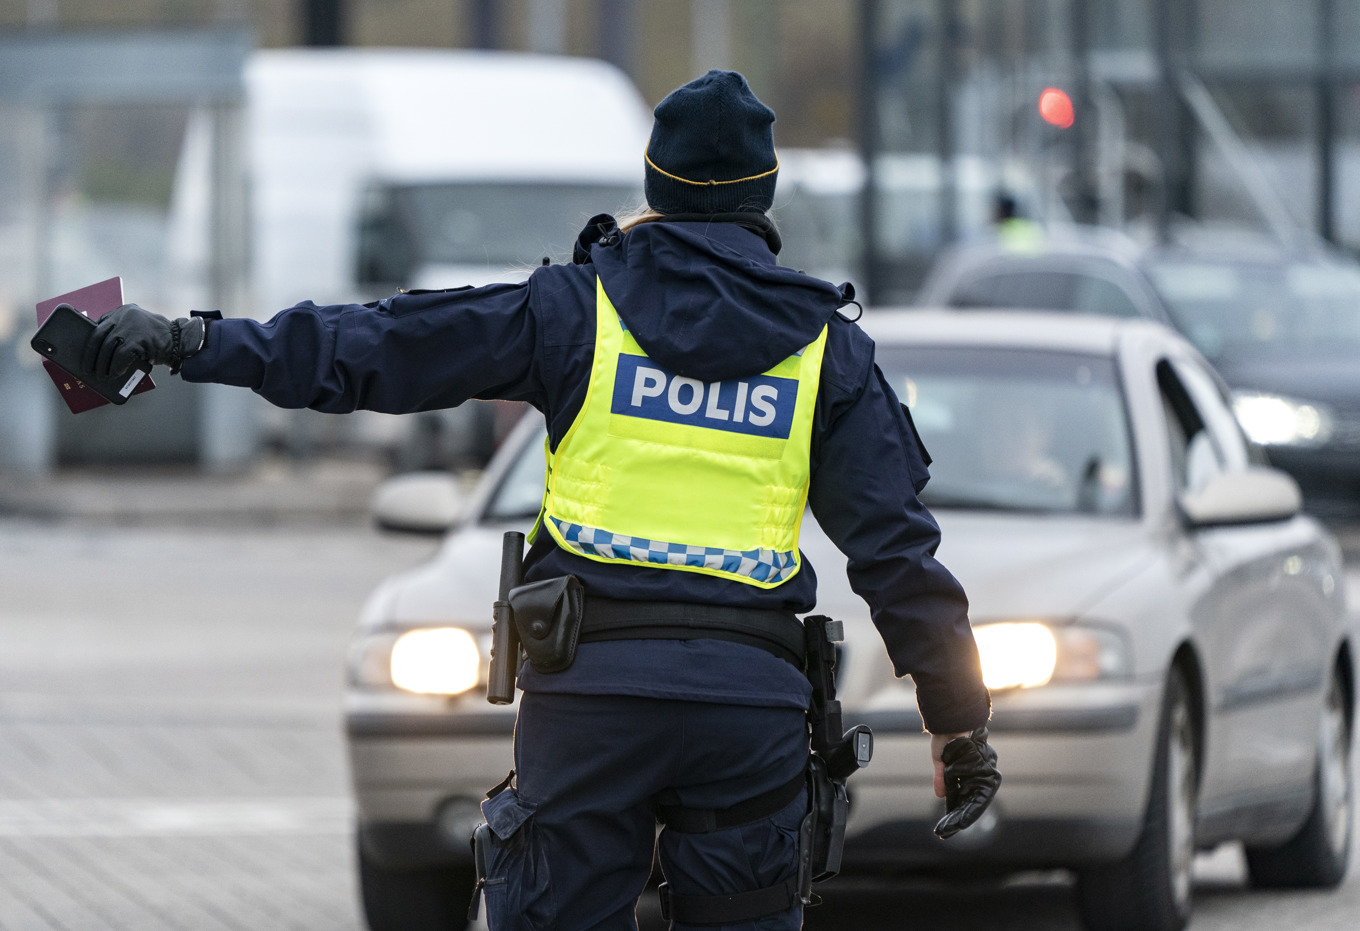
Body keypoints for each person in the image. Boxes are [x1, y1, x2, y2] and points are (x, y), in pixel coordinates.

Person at [83, 70, 997, 930]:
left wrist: (191, 339)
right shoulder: (827, 352)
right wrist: (960, 728)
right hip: (748, 709)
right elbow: (897, 556)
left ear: (657, 185)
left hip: (589, 703)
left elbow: (382, 346)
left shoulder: (573, 311)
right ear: (764, 198)